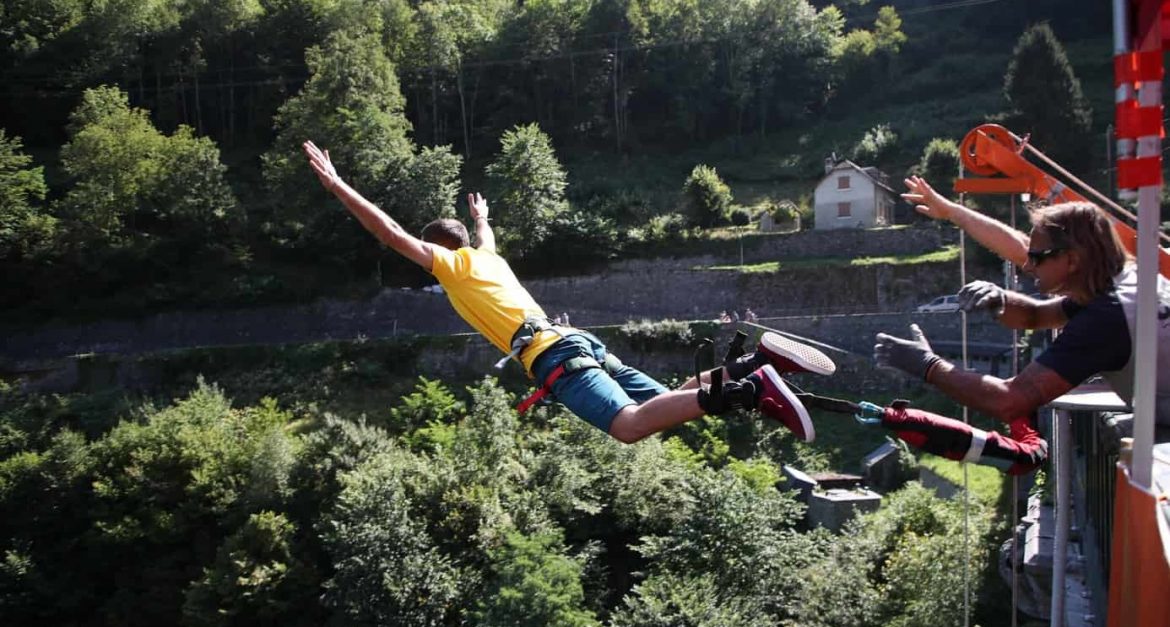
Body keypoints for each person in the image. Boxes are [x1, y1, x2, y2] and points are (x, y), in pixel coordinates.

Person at [303, 140, 838, 443]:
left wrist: (336, 186)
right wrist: (482, 217)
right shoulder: (486, 253)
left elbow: (390, 233)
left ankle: (749, 389)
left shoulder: (453, 266)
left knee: (629, 427)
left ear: (438, 250)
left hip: (557, 357)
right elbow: (485, 233)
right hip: (577, 344)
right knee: (671, 401)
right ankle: (751, 366)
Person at [875, 175, 1170, 430]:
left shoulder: (1106, 320)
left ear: (1071, 261)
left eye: (1037, 259)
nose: (1027, 267)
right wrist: (999, 300)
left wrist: (928, 366)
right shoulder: (1126, 284)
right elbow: (1037, 316)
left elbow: (1009, 400)